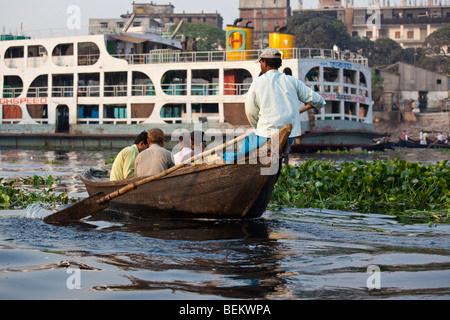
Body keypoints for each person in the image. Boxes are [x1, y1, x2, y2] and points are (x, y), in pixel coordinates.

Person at [224, 47, 326, 163]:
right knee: (278, 154)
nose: (260, 65)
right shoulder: (291, 81)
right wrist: (319, 104)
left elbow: (250, 111)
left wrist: (257, 128)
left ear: (265, 63)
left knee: (242, 149)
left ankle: (230, 160)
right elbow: (318, 100)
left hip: (265, 133)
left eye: (260, 62)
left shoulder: (258, 82)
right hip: (289, 135)